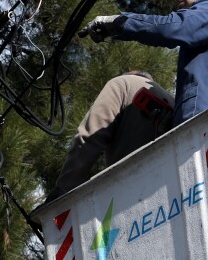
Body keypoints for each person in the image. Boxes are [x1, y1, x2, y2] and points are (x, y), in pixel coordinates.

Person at [50, 71, 173, 199]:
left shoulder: (121, 84)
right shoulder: (173, 100)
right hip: (171, 193)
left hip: (130, 195)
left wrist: (62, 193)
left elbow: (89, 138)